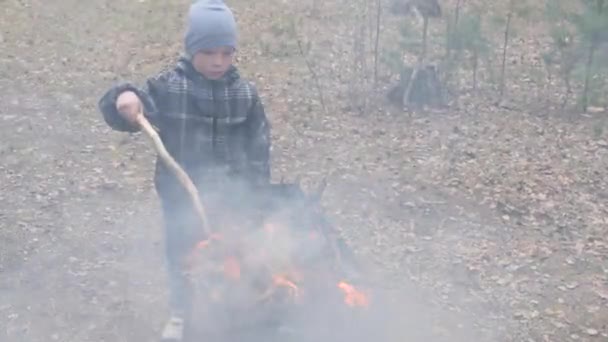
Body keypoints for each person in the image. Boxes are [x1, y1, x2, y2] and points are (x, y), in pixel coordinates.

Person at [97, 0, 271, 340]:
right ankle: (180, 315)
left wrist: (257, 193)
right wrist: (124, 99)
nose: (219, 61)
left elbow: (259, 147)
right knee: (183, 254)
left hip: (233, 194)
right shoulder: (167, 88)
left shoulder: (245, 93)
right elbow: (129, 104)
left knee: (233, 252)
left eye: (226, 52)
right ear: (191, 49)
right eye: (208, 52)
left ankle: (233, 312)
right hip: (181, 196)